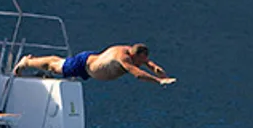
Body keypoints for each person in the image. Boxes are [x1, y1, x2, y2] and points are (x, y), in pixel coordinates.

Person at [14, 44, 175, 85]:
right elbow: (138, 75)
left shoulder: (134, 52)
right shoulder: (123, 58)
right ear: (133, 55)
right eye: (140, 61)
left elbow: (148, 64)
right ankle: (27, 61)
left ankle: (33, 61)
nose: (142, 64)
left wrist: (156, 69)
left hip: (90, 63)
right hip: (85, 65)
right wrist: (158, 81)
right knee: (55, 67)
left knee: (58, 63)